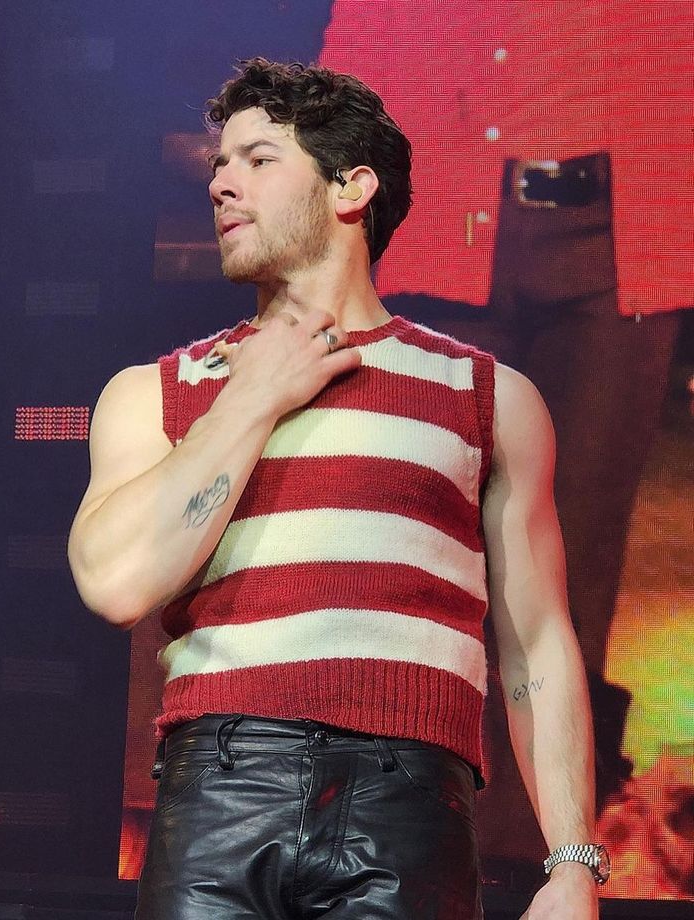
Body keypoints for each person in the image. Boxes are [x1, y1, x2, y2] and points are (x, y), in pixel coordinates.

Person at [68, 59, 606, 920]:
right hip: (218, 791)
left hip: (411, 799)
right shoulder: (157, 392)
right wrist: (252, 393)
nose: (220, 184)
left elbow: (536, 643)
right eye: (217, 165)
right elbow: (115, 583)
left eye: (256, 159)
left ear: (351, 188)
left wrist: (573, 860)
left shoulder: (489, 396)